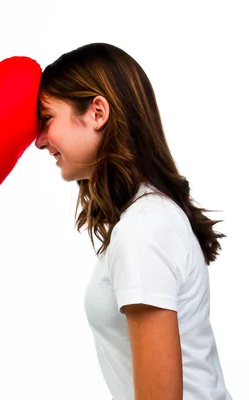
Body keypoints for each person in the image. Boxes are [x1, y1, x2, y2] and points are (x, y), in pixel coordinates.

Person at [35, 43, 232, 399]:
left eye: (47, 119)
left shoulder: (143, 229)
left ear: (97, 112)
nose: (38, 141)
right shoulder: (149, 216)